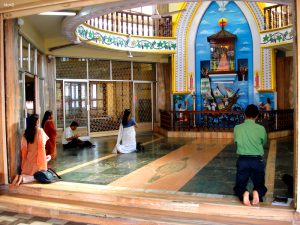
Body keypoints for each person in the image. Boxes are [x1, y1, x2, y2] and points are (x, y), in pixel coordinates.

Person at [233, 104, 267, 206]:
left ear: (244, 115)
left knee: (239, 186)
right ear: (257, 116)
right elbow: (263, 142)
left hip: (243, 160)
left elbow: (236, 142)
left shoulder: (237, 128)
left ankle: (244, 193)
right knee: (260, 184)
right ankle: (257, 192)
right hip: (257, 160)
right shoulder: (261, 128)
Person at [12, 114, 51, 186]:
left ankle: (20, 177)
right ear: (37, 121)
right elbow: (42, 146)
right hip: (37, 160)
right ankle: (22, 179)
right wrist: (44, 161)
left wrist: (24, 162)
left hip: (28, 159)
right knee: (38, 176)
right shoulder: (40, 131)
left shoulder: (25, 132)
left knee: (29, 174)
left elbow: (23, 148)